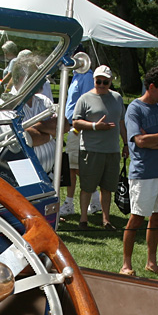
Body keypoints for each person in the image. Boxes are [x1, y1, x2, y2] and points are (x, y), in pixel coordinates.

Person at [121, 67, 158, 277]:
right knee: (136, 218)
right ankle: (126, 265)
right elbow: (139, 140)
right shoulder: (134, 109)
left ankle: (151, 263)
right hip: (143, 173)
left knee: (157, 218)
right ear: (152, 87)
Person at [72, 65, 126, 230]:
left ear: (110, 82)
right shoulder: (85, 98)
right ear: (94, 80)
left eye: (105, 82)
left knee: (108, 187)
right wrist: (95, 126)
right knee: (87, 186)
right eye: (98, 81)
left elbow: (122, 122)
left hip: (112, 151)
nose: (102, 85)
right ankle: (83, 219)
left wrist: (126, 144)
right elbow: (76, 122)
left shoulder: (117, 98)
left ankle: (106, 220)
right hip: (91, 150)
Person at [0, 52, 57, 174]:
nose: (42, 80)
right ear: (23, 79)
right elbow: (22, 140)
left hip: (48, 176)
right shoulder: (5, 105)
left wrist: (36, 130)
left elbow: (62, 125)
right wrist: (51, 135)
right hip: (20, 178)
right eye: (37, 76)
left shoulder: (44, 101)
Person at [61, 59, 95, 217]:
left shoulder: (86, 76)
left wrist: (78, 127)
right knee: (73, 167)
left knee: (74, 167)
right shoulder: (75, 75)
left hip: (78, 128)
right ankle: (93, 200)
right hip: (71, 126)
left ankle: (77, 202)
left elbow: (87, 104)